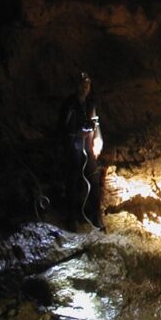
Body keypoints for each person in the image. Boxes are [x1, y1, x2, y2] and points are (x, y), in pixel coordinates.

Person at [58, 72, 104, 229]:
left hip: (88, 146)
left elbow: (95, 122)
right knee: (72, 180)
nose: (84, 88)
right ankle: (72, 217)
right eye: (82, 85)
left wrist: (98, 138)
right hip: (73, 147)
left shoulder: (90, 103)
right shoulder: (69, 104)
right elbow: (63, 127)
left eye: (87, 85)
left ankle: (95, 216)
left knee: (94, 179)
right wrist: (77, 131)